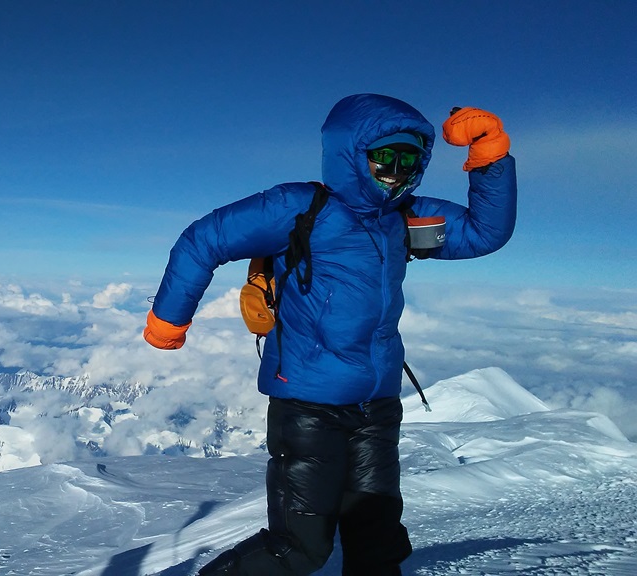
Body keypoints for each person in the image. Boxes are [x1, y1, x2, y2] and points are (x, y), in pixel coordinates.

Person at [142, 94, 516, 575]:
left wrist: (490, 156)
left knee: (376, 543)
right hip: (309, 406)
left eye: (409, 159)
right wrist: (169, 321)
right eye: (384, 156)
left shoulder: (405, 216)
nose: (396, 170)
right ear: (352, 155)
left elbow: (485, 233)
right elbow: (203, 240)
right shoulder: (299, 208)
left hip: (378, 406)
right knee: (299, 548)